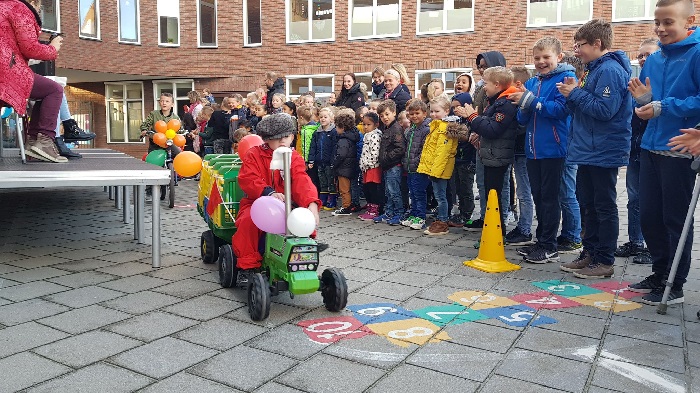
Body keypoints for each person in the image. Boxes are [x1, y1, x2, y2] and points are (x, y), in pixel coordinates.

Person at [627, 0, 700, 305]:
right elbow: (650, 101)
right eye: (657, 22)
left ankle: (676, 283)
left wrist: (663, 106)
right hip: (650, 146)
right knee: (650, 216)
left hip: (680, 147)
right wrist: (646, 101)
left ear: (690, 21)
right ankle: (659, 272)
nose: (661, 28)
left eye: (669, 22)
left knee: (675, 219)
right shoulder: (654, 59)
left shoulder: (697, 54)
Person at [556, 19, 633, 279]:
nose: (576, 51)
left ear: (597, 44)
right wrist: (572, 96)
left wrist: (574, 93)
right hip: (588, 148)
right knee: (588, 203)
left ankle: (604, 259)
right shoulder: (593, 69)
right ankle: (589, 253)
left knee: (604, 205)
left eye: (581, 46)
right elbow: (587, 106)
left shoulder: (609, 70)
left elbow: (605, 110)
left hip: (603, 148)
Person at [232, 113, 321, 285]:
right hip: (257, 203)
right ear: (266, 139)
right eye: (276, 138)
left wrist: (311, 204)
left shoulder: (293, 157)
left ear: (293, 137)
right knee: (247, 223)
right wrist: (269, 192)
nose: (282, 141)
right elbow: (248, 178)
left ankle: (301, 258)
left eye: (286, 137)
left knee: (302, 222)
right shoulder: (254, 155)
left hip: (287, 204)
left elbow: (301, 180)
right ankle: (248, 266)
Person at [510, 37, 576, 263]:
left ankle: (550, 245)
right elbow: (522, 118)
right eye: (537, 58)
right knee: (538, 195)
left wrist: (530, 101)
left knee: (549, 198)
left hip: (554, 149)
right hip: (533, 149)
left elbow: (560, 110)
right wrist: (523, 105)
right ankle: (541, 241)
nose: (541, 61)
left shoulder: (566, 79)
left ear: (559, 57)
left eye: (546, 57)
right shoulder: (531, 82)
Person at [0, 0, 65, 163]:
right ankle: (42, 142)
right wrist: (53, 48)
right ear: (34, 2)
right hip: (5, 73)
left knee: (43, 91)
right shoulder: (19, 8)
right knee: (54, 90)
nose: (39, 10)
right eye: (40, 7)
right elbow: (30, 48)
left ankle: (33, 143)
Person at [614, 38, 660, 265]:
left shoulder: (659, 80)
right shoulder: (635, 81)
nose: (643, 59)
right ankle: (635, 241)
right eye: (640, 55)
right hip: (635, 148)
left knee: (651, 200)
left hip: (654, 149)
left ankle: (653, 247)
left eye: (648, 54)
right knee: (634, 198)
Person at [462, 66, 519, 237]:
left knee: (495, 196)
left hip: (497, 157)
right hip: (492, 155)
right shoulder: (497, 101)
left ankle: (496, 234)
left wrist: (472, 116)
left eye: (486, 83)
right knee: (490, 194)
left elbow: (493, 129)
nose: (484, 87)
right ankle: (492, 231)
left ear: (497, 84)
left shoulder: (506, 103)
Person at [418, 97, 467, 235]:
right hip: (435, 168)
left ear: (446, 111)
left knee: (441, 196)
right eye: (431, 111)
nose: (433, 114)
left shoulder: (444, 128)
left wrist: (435, 171)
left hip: (439, 169)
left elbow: (442, 152)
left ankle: (443, 222)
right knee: (440, 195)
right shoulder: (436, 126)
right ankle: (441, 218)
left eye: (437, 111)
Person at [558, 53, 585, 254]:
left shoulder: (575, 92)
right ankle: (569, 233)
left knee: (568, 193)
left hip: (569, 147)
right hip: (568, 145)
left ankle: (574, 236)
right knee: (565, 192)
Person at [374, 100, 406, 225]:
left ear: (394, 113)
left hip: (394, 165)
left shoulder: (396, 128)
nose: (384, 118)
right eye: (382, 116)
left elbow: (400, 148)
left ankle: (399, 213)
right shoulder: (387, 128)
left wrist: (387, 158)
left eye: (387, 114)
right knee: (388, 191)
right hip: (387, 166)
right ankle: (389, 212)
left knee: (394, 191)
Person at [401, 99, 432, 230]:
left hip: (419, 167)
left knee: (419, 192)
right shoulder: (411, 130)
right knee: (412, 193)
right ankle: (414, 214)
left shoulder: (426, 129)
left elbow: (425, 150)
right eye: (411, 114)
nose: (414, 116)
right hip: (410, 167)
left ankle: (421, 217)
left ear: (424, 113)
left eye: (417, 113)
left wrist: (415, 161)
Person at [449, 92, 477, 229]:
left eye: (458, 107)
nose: (455, 110)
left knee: (466, 188)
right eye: (453, 107)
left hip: (468, 159)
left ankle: (467, 213)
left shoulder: (471, 121)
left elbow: (468, 138)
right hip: (457, 159)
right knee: (459, 187)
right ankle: (461, 211)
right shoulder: (454, 120)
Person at [331, 111, 361, 216]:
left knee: (344, 189)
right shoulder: (351, 137)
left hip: (343, 168)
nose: (335, 129)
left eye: (337, 127)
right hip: (350, 166)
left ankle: (346, 206)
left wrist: (334, 163)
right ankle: (351, 204)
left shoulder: (343, 140)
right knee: (350, 187)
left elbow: (341, 155)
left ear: (342, 127)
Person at [308, 107, 337, 209]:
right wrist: (311, 160)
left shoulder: (333, 132)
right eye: (321, 117)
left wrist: (333, 160)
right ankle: (323, 199)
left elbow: (335, 147)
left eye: (325, 117)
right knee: (322, 181)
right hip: (319, 162)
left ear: (331, 118)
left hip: (329, 162)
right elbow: (313, 147)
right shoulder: (317, 132)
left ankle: (332, 200)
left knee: (331, 181)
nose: (323, 119)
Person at [358, 112, 383, 221]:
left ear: (375, 125)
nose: (365, 127)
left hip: (372, 167)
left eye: (368, 125)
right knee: (367, 188)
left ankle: (374, 210)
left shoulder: (375, 136)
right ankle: (370, 206)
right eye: (364, 124)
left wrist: (367, 163)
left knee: (372, 188)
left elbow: (375, 152)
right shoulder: (367, 135)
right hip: (366, 167)